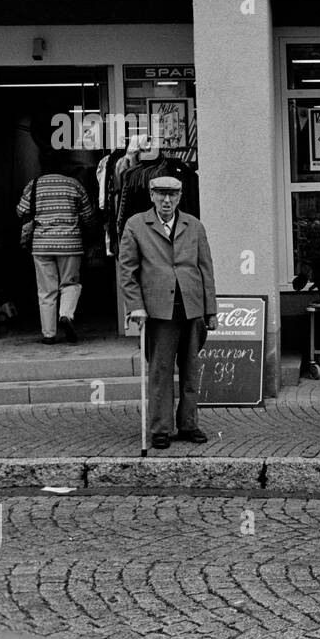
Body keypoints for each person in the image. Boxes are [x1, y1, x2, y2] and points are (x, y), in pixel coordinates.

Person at [117, 175, 218, 449]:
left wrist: (211, 310)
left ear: (180, 196)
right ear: (151, 195)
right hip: (158, 311)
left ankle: (188, 424)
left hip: (192, 307)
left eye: (172, 195)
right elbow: (127, 271)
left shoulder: (194, 226)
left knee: (191, 369)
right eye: (161, 194)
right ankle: (160, 428)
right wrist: (135, 306)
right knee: (161, 371)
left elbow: (206, 269)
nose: (166, 200)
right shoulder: (136, 225)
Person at [16, 155, 97, 345]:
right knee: (70, 283)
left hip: (42, 245)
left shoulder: (33, 185)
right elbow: (88, 216)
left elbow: (20, 211)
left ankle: (49, 334)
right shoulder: (74, 184)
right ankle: (66, 315)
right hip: (70, 244)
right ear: (64, 167)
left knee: (46, 290)